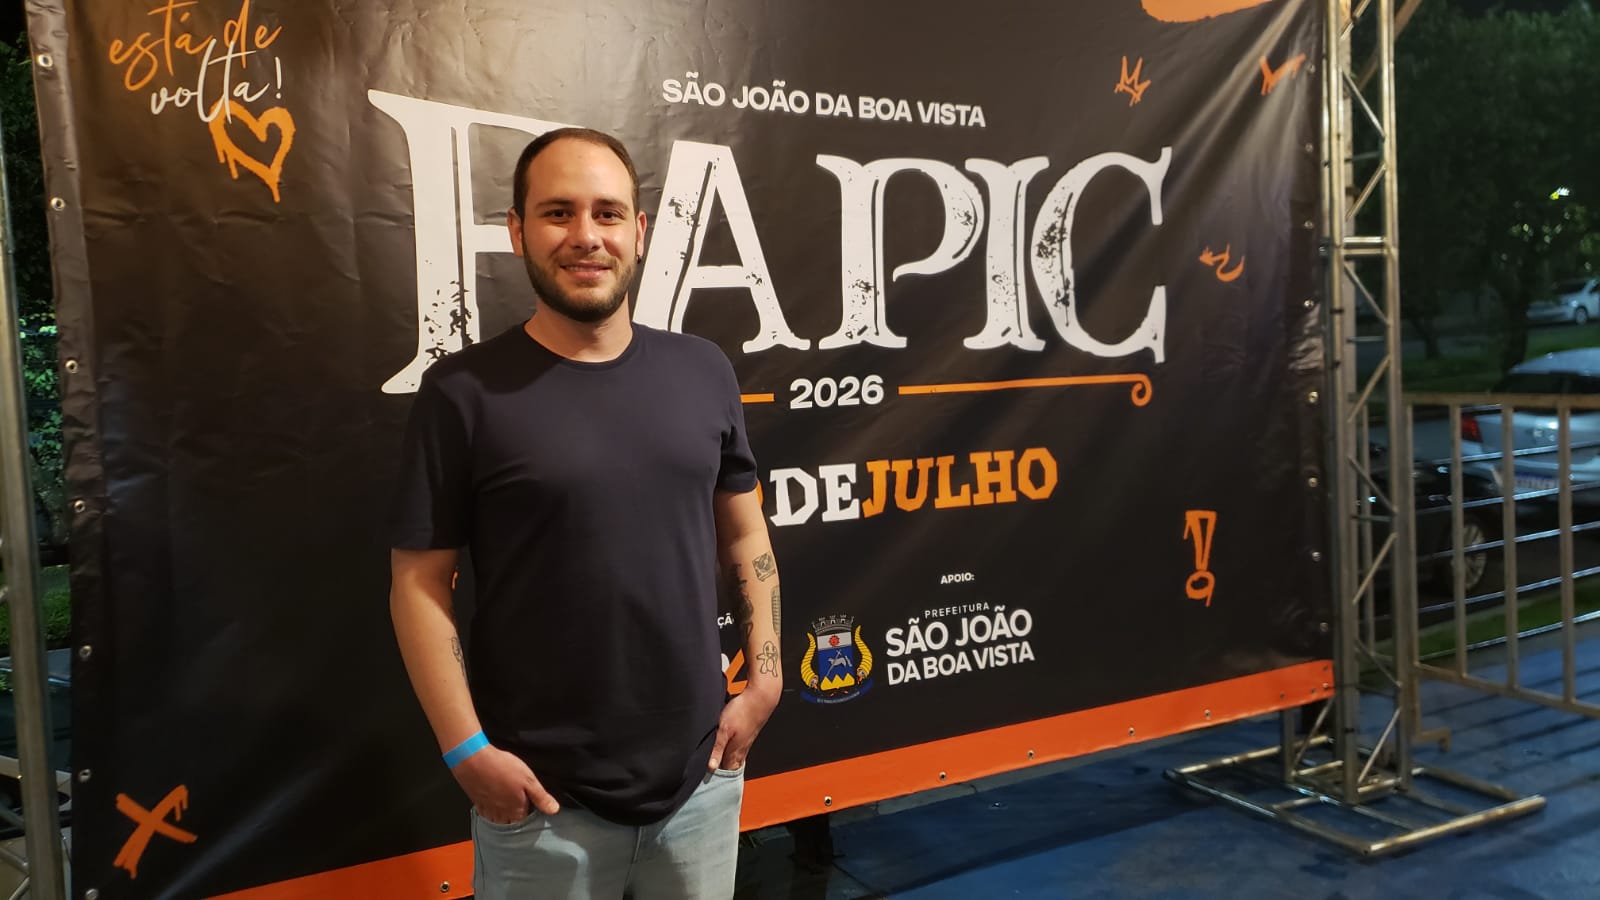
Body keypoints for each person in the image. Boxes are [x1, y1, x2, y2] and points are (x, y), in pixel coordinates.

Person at [389, 127, 783, 900]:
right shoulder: (462, 393)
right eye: (557, 212)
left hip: (701, 784)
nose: (585, 236)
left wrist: (765, 680)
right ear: (517, 231)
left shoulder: (703, 370)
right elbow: (418, 584)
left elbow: (745, 534)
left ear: (639, 231)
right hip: (538, 801)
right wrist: (466, 751)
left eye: (607, 213)